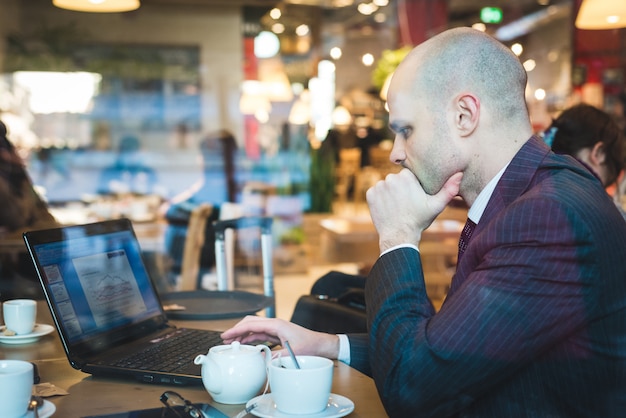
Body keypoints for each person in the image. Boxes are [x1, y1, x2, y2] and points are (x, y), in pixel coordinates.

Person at [221, 27, 626, 417]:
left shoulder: (545, 218)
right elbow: (449, 350)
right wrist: (326, 344)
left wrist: (398, 238)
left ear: (465, 116)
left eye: (406, 130)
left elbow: (415, 390)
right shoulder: (531, 196)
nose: (396, 153)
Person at [160, 129, 238, 289]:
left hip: (196, 262)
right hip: (207, 256)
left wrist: (171, 203)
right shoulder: (227, 186)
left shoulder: (212, 190)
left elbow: (169, 210)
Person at [0, 120, 59, 298]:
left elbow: (48, 220)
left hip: (24, 266)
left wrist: (19, 232)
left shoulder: (16, 173)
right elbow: (13, 216)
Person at [545, 103, 626, 220]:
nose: (603, 193)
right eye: (604, 184)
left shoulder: (536, 190)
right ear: (599, 153)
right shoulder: (609, 215)